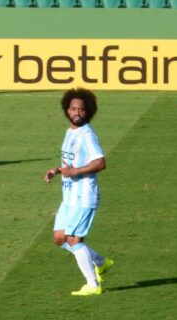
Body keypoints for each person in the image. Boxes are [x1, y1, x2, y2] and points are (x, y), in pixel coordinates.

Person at [44, 88, 113, 297]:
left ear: (88, 112)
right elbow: (72, 162)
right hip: (69, 196)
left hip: (84, 196)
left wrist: (74, 171)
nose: (77, 112)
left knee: (74, 240)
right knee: (59, 238)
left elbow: (100, 163)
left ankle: (93, 285)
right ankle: (101, 262)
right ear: (67, 110)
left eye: (81, 109)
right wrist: (57, 170)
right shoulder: (70, 132)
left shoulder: (87, 135)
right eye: (73, 108)